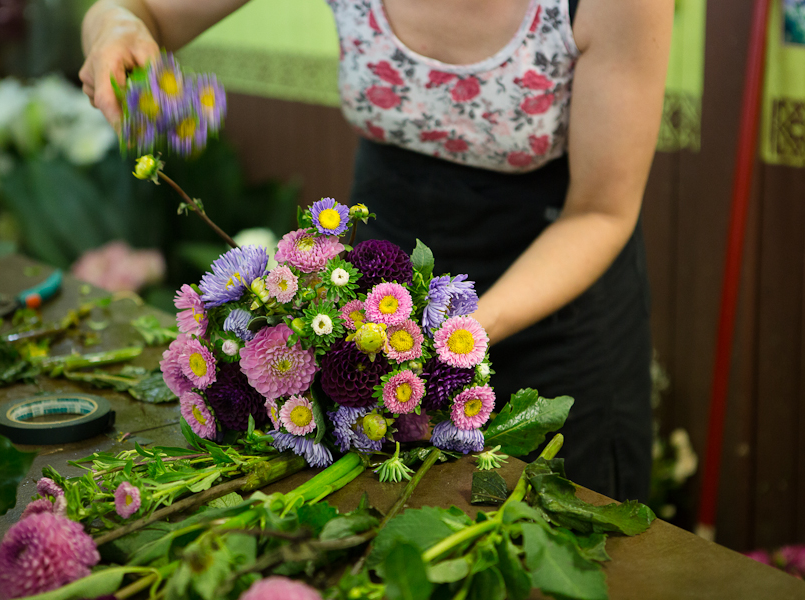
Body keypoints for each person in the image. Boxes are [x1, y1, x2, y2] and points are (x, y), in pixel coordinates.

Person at [80, 0, 672, 502]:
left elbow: (601, 212)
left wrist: (442, 343)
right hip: (385, 293)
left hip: (557, 310)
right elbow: (137, 9)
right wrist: (116, 28)